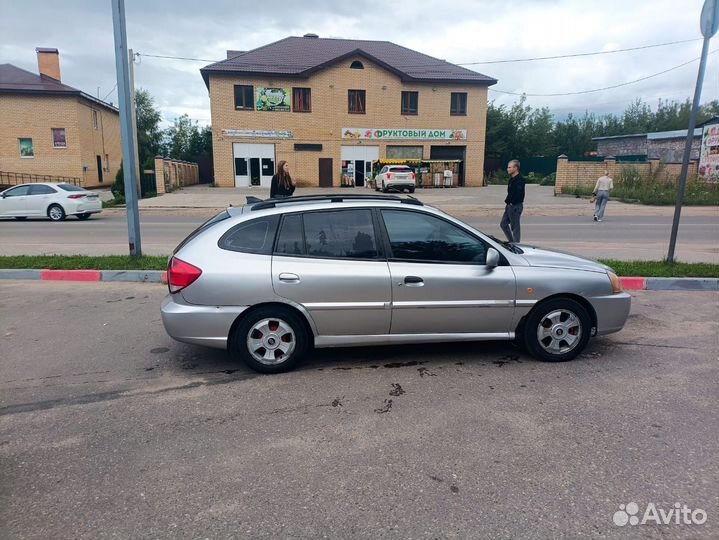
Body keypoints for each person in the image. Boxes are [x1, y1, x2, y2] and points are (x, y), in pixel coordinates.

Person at [500, 159, 525, 243]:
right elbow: (510, 193)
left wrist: (512, 203)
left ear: (516, 168)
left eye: (510, 167)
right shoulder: (511, 180)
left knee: (515, 227)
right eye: (508, 167)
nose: (508, 169)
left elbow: (519, 195)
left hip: (515, 206)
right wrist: (508, 203)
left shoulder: (519, 180)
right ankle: (512, 242)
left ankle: (516, 245)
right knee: (503, 224)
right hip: (509, 206)